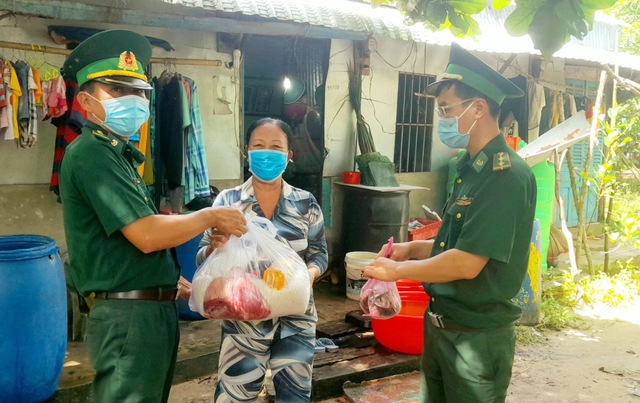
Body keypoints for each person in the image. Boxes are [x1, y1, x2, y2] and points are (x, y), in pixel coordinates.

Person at [59, 29, 247, 402]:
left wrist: (164, 277)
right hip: (128, 319)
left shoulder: (120, 155)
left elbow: (130, 240)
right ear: (85, 100)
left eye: (140, 92)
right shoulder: (92, 153)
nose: (134, 100)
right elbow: (145, 233)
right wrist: (211, 215)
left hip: (148, 312)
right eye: (117, 90)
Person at [363, 42, 537, 403]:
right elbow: (455, 241)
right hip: (442, 327)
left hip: (476, 337)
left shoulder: (504, 175)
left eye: (446, 108)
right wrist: (411, 248)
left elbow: (468, 262)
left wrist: (400, 271)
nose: (441, 118)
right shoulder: (468, 169)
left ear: (478, 108)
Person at [196, 117, 328, 402]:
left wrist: (307, 276)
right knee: (234, 396)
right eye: (259, 145)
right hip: (243, 321)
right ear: (247, 152)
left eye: (276, 146)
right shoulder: (228, 202)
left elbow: (320, 252)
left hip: (296, 319)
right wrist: (212, 249)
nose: (266, 152)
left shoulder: (306, 203)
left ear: (289, 155)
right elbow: (202, 257)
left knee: (294, 397)